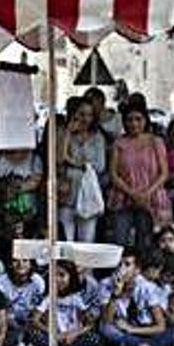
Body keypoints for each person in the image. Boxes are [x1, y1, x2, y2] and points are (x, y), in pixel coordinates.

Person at [108, 101, 171, 250]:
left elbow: (164, 173)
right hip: (123, 198)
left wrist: (146, 193)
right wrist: (132, 193)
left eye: (138, 119)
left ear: (145, 120)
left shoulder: (156, 142)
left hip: (151, 198)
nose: (134, 123)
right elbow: (113, 174)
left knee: (147, 241)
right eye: (130, 120)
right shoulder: (119, 143)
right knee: (120, 241)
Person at [99, 251, 173, 346]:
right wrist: (115, 294)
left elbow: (160, 326)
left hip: (145, 329)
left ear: (137, 270)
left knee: (171, 333)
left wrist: (131, 329)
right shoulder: (105, 284)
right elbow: (107, 320)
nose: (121, 269)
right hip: (122, 330)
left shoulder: (147, 287)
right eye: (119, 264)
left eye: (127, 265)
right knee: (105, 329)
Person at [28, 261, 99, 346]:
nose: (57, 279)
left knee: (93, 337)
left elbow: (90, 323)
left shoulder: (76, 298)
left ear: (71, 277)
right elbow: (35, 320)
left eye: (61, 275)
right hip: (54, 336)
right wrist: (53, 334)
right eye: (54, 275)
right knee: (34, 334)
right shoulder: (48, 297)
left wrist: (74, 333)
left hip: (72, 336)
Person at [58, 96, 106, 243]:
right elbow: (59, 159)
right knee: (66, 241)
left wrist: (72, 161)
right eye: (81, 114)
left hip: (88, 195)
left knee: (87, 242)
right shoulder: (64, 134)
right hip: (67, 194)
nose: (85, 119)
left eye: (89, 115)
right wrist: (67, 132)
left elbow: (99, 165)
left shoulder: (97, 138)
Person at [0, 258, 45, 346]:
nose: (20, 264)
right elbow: (1, 310)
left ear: (31, 264)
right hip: (9, 320)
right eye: (15, 260)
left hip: (30, 320)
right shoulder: (2, 282)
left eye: (25, 260)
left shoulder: (38, 281)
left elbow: (38, 309)